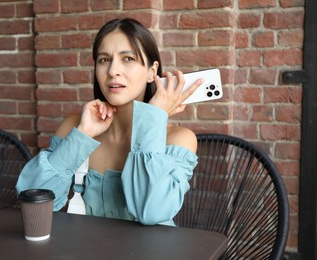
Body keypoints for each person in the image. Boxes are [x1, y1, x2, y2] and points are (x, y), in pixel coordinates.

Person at [16, 18, 203, 226]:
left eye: (128, 58)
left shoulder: (179, 139)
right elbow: (31, 199)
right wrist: (83, 136)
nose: (113, 70)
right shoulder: (76, 126)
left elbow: (151, 212)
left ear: (152, 71)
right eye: (104, 60)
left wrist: (154, 118)